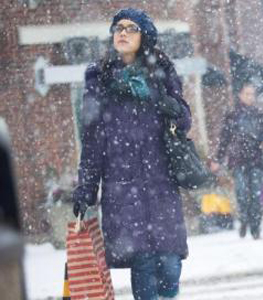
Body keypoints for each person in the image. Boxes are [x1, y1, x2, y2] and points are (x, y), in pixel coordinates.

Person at [71, 8, 191, 300]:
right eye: (118, 28)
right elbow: (92, 141)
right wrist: (86, 188)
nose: (122, 33)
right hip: (122, 188)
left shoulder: (161, 71)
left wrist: (167, 104)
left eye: (130, 28)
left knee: (170, 265)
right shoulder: (99, 78)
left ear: (145, 36)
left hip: (161, 183)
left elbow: (184, 121)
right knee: (144, 266)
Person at [215, 82, 263, 239]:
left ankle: (255, 227)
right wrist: (218, 159)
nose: (249, 97)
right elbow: (224, 139)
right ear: (240, 95)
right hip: (238, 160)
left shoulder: (260, 115)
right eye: (247, 94)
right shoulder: (232, 115)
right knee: (241, 194)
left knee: (255, 194)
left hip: (255, 159)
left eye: (252, 94)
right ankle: (244, 219)